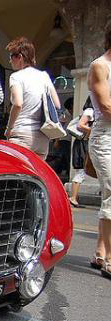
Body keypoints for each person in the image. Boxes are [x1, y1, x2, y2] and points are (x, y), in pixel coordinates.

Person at [4, 37, 61, 160]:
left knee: (17, 174)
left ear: (19, 57)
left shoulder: (16, 77)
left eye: (11, 57)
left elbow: (18, 104)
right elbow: (57, 104)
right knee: (36, 175)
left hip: (22, 133)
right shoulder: (44, 76)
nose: (9, 61)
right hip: (42, 137)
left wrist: (9, 129)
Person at [86, 20, 111, 278]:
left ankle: (101, 253)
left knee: (109, 194)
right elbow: (105, 107)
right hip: (105, 136)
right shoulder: (99, 66)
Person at [69, 98, 94, 209]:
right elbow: (80, 125)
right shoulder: (90, 111)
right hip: (83, 144)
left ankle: (73, 197)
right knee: (81, 170)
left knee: (82, 171)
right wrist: (92, 131)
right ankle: (73, 197)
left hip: (83, 143)